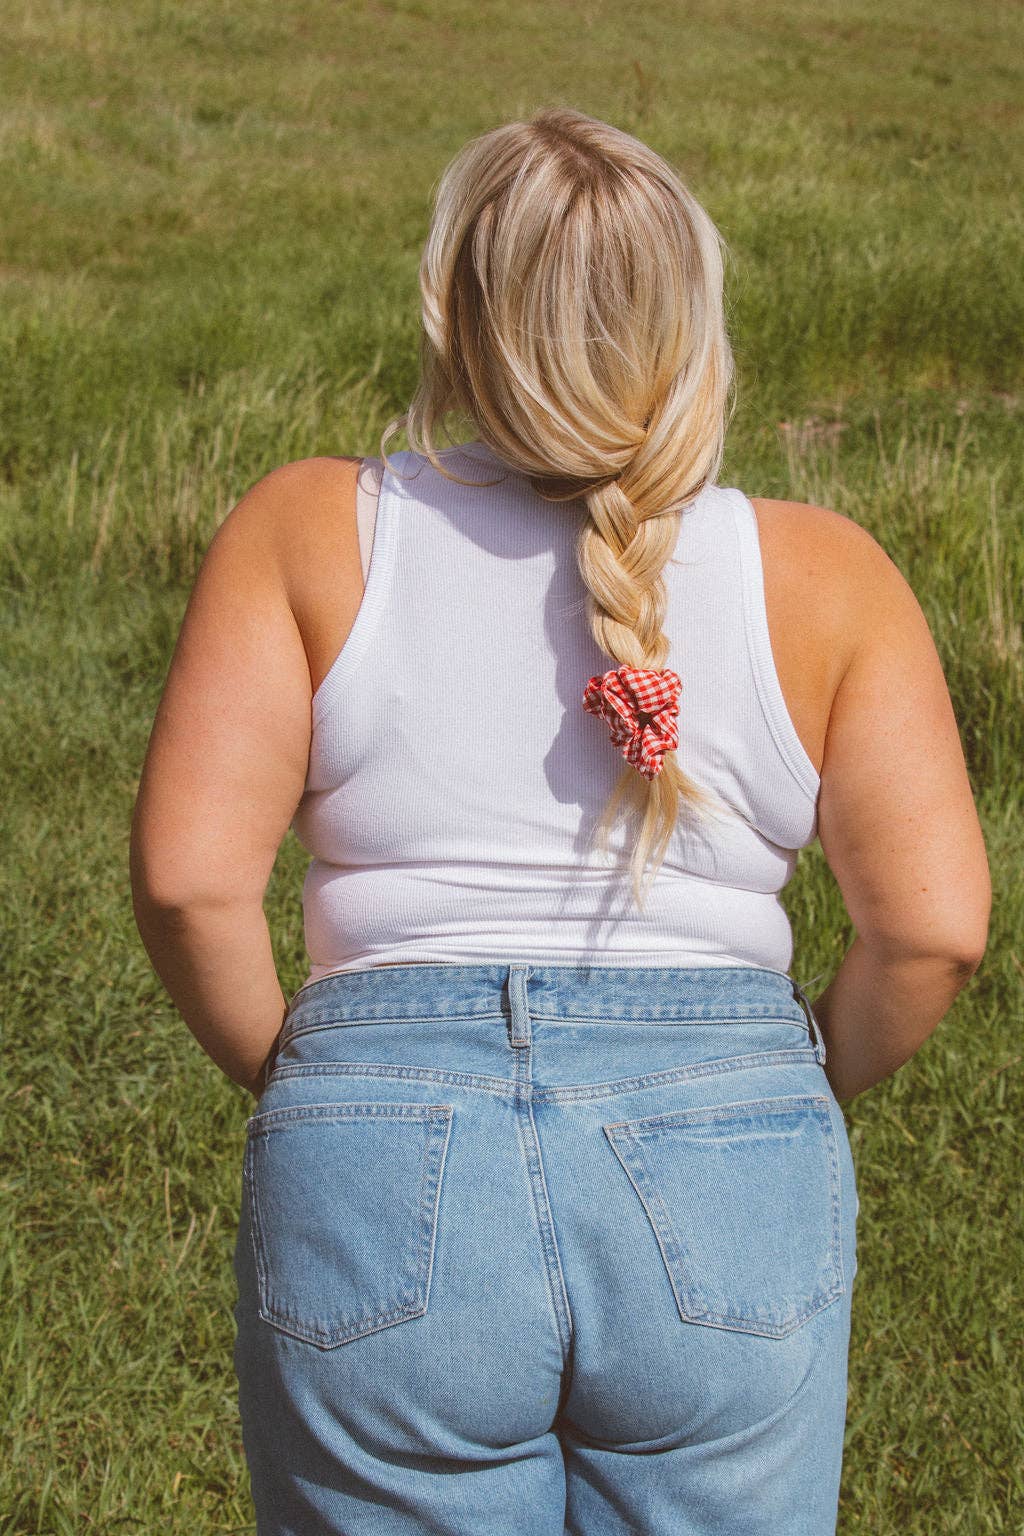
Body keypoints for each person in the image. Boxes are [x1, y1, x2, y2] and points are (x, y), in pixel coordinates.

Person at [129, 106, 991, 1536]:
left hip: (383, 1143)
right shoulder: (829, 578)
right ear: (693, 326)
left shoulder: (306, 530)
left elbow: (185, 884)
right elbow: (936, 928)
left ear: (457, 323)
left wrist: (306, 1071)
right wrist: (776, 1085)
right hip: (733, 1153)